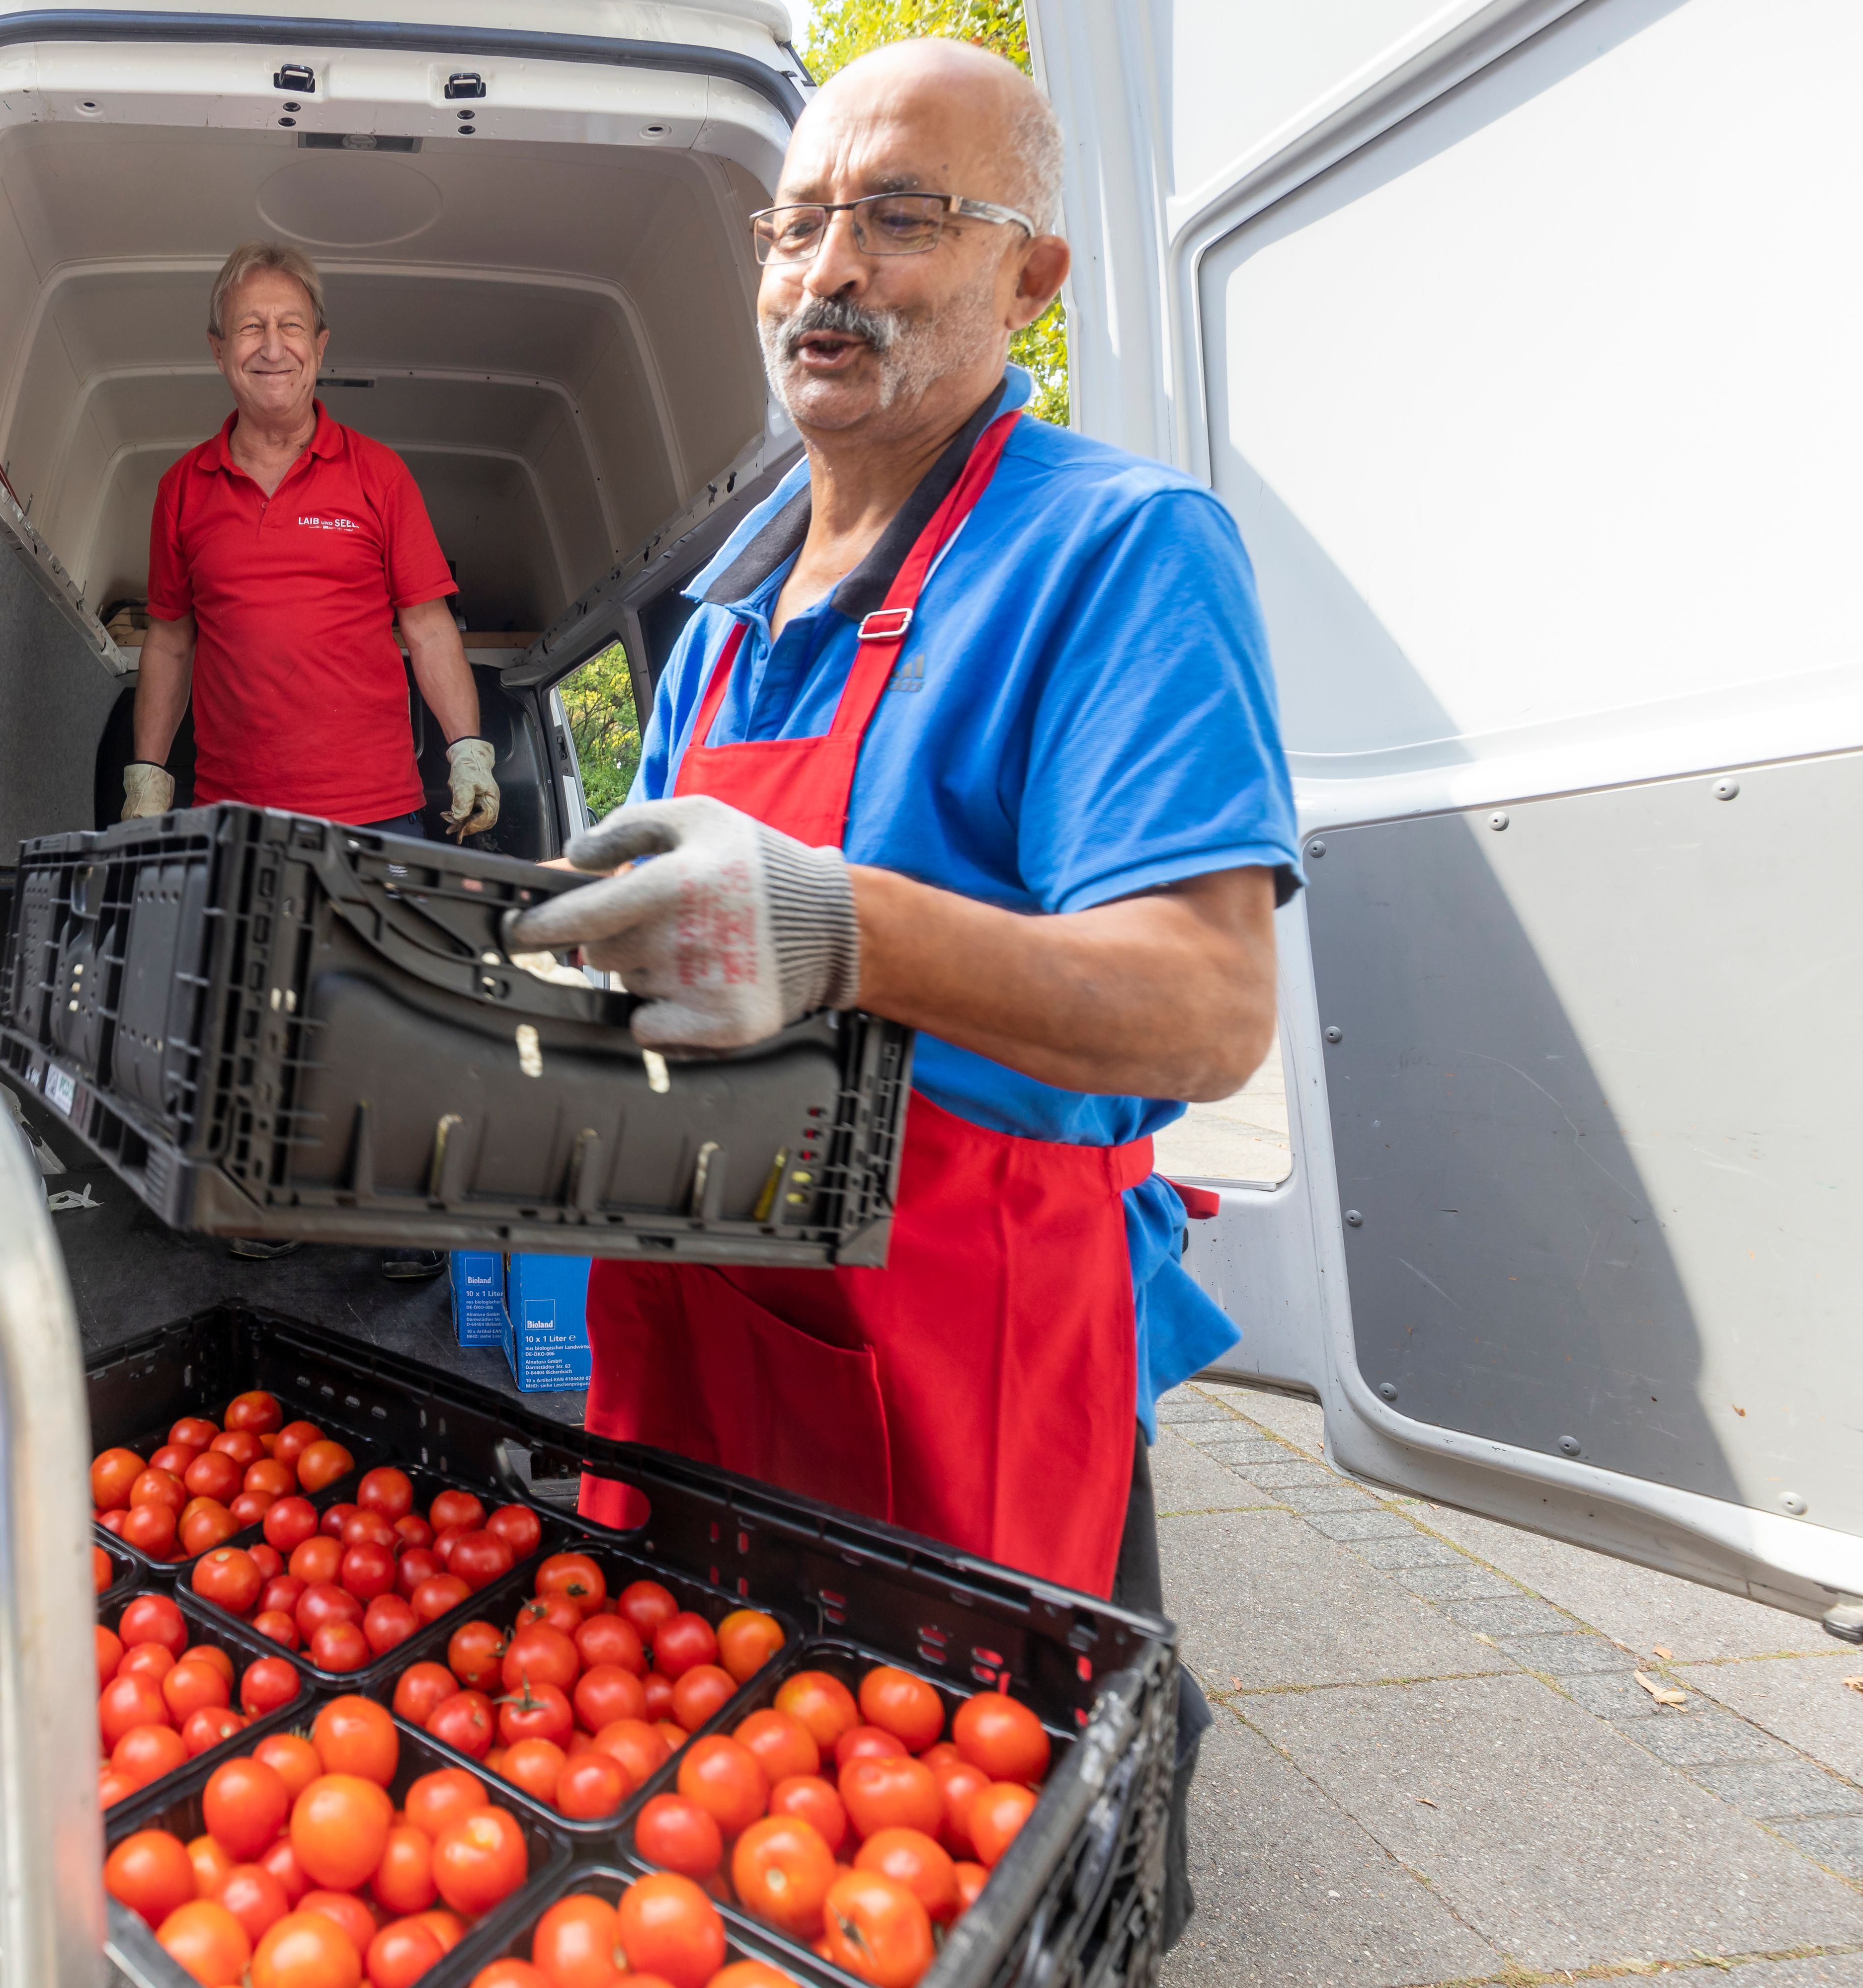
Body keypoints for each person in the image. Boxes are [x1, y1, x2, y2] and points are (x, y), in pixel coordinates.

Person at [506, 39, 1293, 1942]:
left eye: (901, 216)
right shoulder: (722, 612)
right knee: (722, 1818)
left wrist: (837, 925)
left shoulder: (1117, 552)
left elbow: (1204, 1006)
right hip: (700, 1328)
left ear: (1032, 278)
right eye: (793, 226)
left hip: (957, 1340)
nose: (824, 269)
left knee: (994, 1857)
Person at [128, 241, 498, 1278]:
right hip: (240, 815)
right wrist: (148, 774)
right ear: (218, 350)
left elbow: (428, 627)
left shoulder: (376, 476)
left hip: (378, 808)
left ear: (323, 346)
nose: (272, 346)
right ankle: (276, 1201)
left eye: (291, 326)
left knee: (386, 1028)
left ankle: (399, 1225)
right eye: (250, 327)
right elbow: (167, 639)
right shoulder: (181, 491)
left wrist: (467, 747)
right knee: (256, 1022)